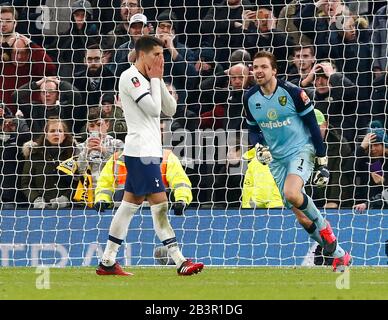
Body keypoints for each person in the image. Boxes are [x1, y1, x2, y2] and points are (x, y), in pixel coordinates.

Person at [96, 35, 204, 276]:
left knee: (127, 207)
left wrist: (159, 79)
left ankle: (107, 262)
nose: (160, 59)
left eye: (162, 54)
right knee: (161, 205)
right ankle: (180, 261)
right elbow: (154, 109)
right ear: (141, 54)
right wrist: (155, 80)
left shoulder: (149, 79)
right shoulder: (131, 77)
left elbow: (171, 109)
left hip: (148, 151)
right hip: (141, 152)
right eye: (156, 54)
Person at [243, 51, 351, 271]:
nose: (259, 71)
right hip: (276, 159)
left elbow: (312, 124)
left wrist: (321, 160)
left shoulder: (293, 93)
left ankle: (326, 231)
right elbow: (253, 130)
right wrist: (259, 145)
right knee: (301, 217)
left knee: (293, 192)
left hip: (300, 150)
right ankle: (340, 255)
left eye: (264, 67)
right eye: (255, 67)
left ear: (274, 70)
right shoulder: (250, 98)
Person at [94, 148, 193, 214]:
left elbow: (180, 181)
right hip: (123, 212)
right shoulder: (116, 158)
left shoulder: (167, 156)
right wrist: (102, 200)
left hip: (158, 212)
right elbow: (104, 184)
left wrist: (181, 200)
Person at [20, 118, 76, 209]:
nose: (56, 133)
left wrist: (66, 198)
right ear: (46, 135)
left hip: (69, 208)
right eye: (52, 131)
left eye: (60, 131)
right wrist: (36, 199)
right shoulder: (34, 155)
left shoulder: (74, 154)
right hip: (41, 208)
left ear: (65, 135)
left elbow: (78, 181)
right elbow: (26, 183)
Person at [353, 121, 388, 212]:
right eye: (370, 145)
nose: (373, 149)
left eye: (376, 145)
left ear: (384, 146)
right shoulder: (363, 158)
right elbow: (346, 170)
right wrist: (361, 148)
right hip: (359, 206)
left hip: (382, 207)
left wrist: (384, 182)